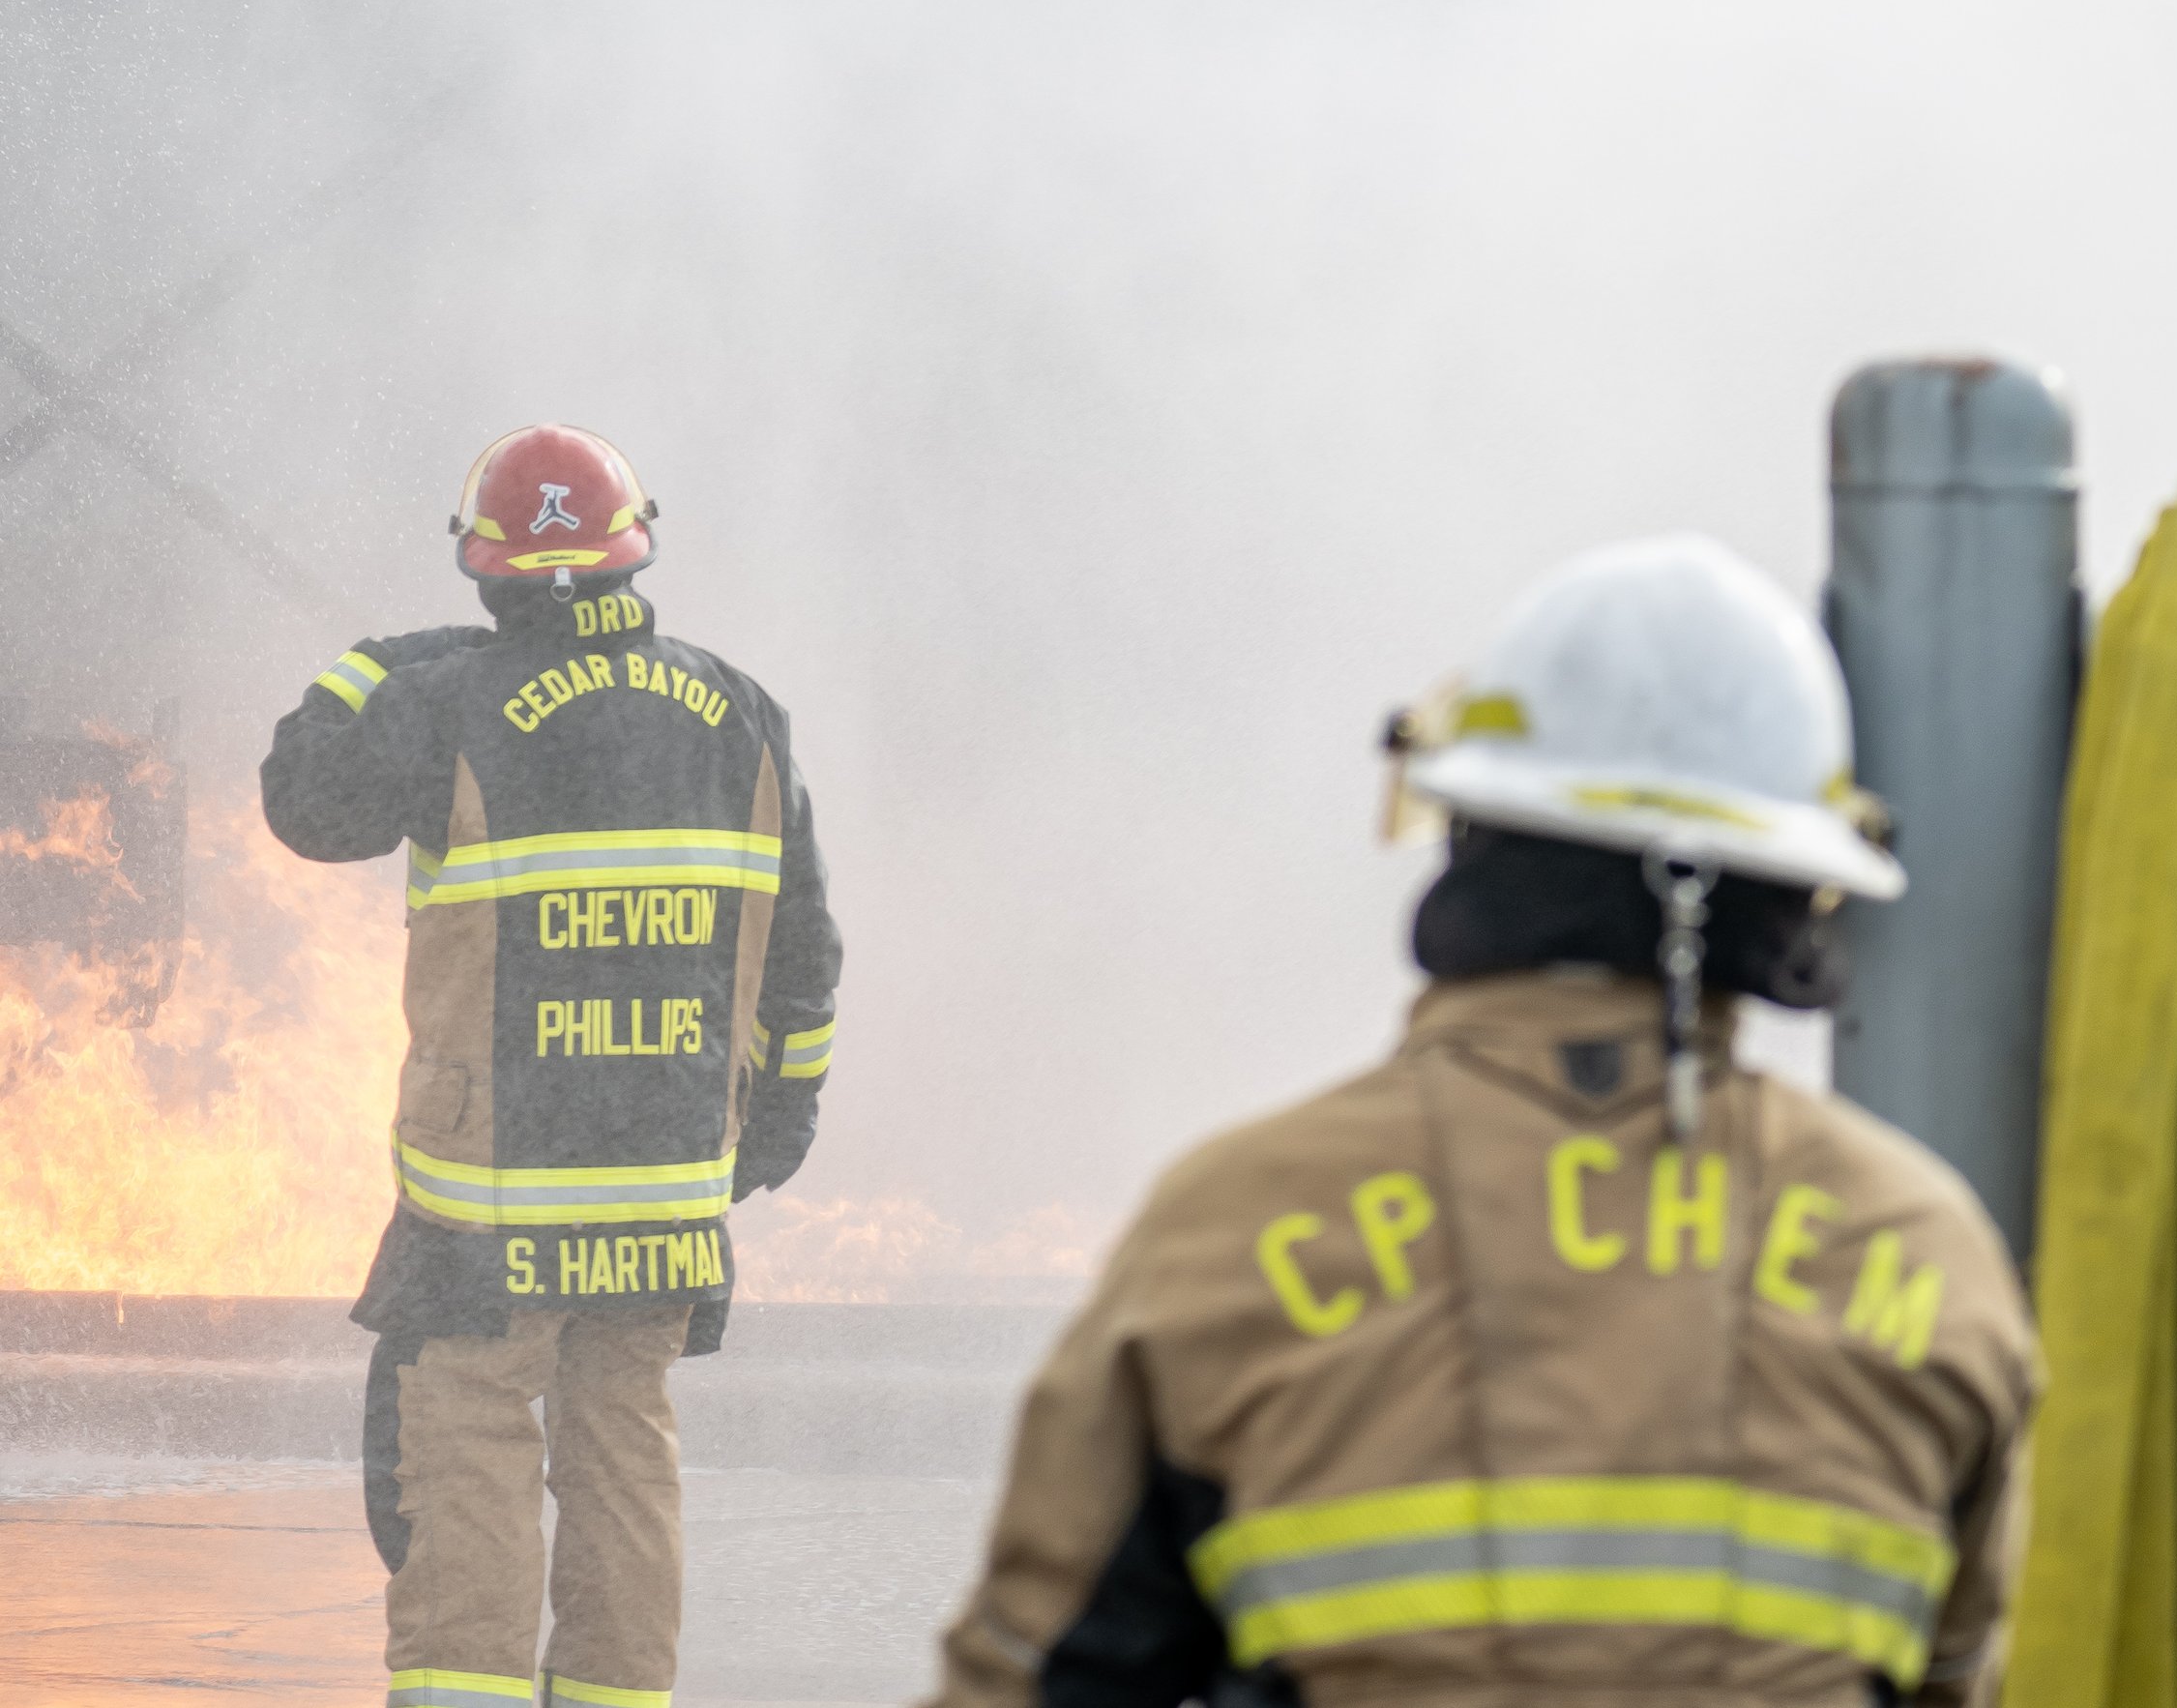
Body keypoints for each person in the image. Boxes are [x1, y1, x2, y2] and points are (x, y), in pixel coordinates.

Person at [925, 536, 2037, 1708]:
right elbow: (1959, 1677)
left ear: (1471, 834)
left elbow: (1034, 1678)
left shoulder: (1228, 1229)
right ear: (1791, 891)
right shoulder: (1923, 1254)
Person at [261, 424, 840, 1708]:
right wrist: (775, 1118)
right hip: (668, 1182)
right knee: (625, 1447)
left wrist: (371, 664)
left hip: (492, 1197)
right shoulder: (743, 711)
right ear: (639, 547)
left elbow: (302, 801)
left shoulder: (449, 703)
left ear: (487, 573)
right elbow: (802, 955)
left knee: (466, 1442)